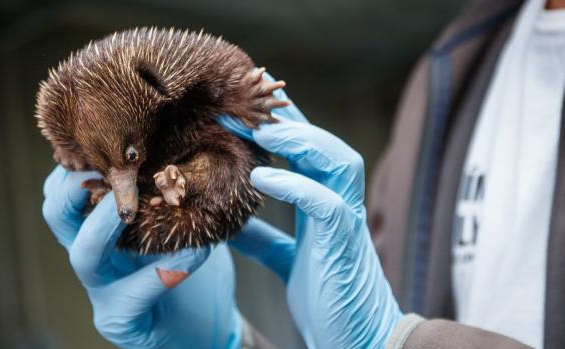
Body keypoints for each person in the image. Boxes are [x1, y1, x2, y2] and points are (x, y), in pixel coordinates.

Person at [41, 0, 565, 347]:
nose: (122, 194)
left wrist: (401, 342)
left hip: (210, 162)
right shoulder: (445, 77)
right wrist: (234, 344)